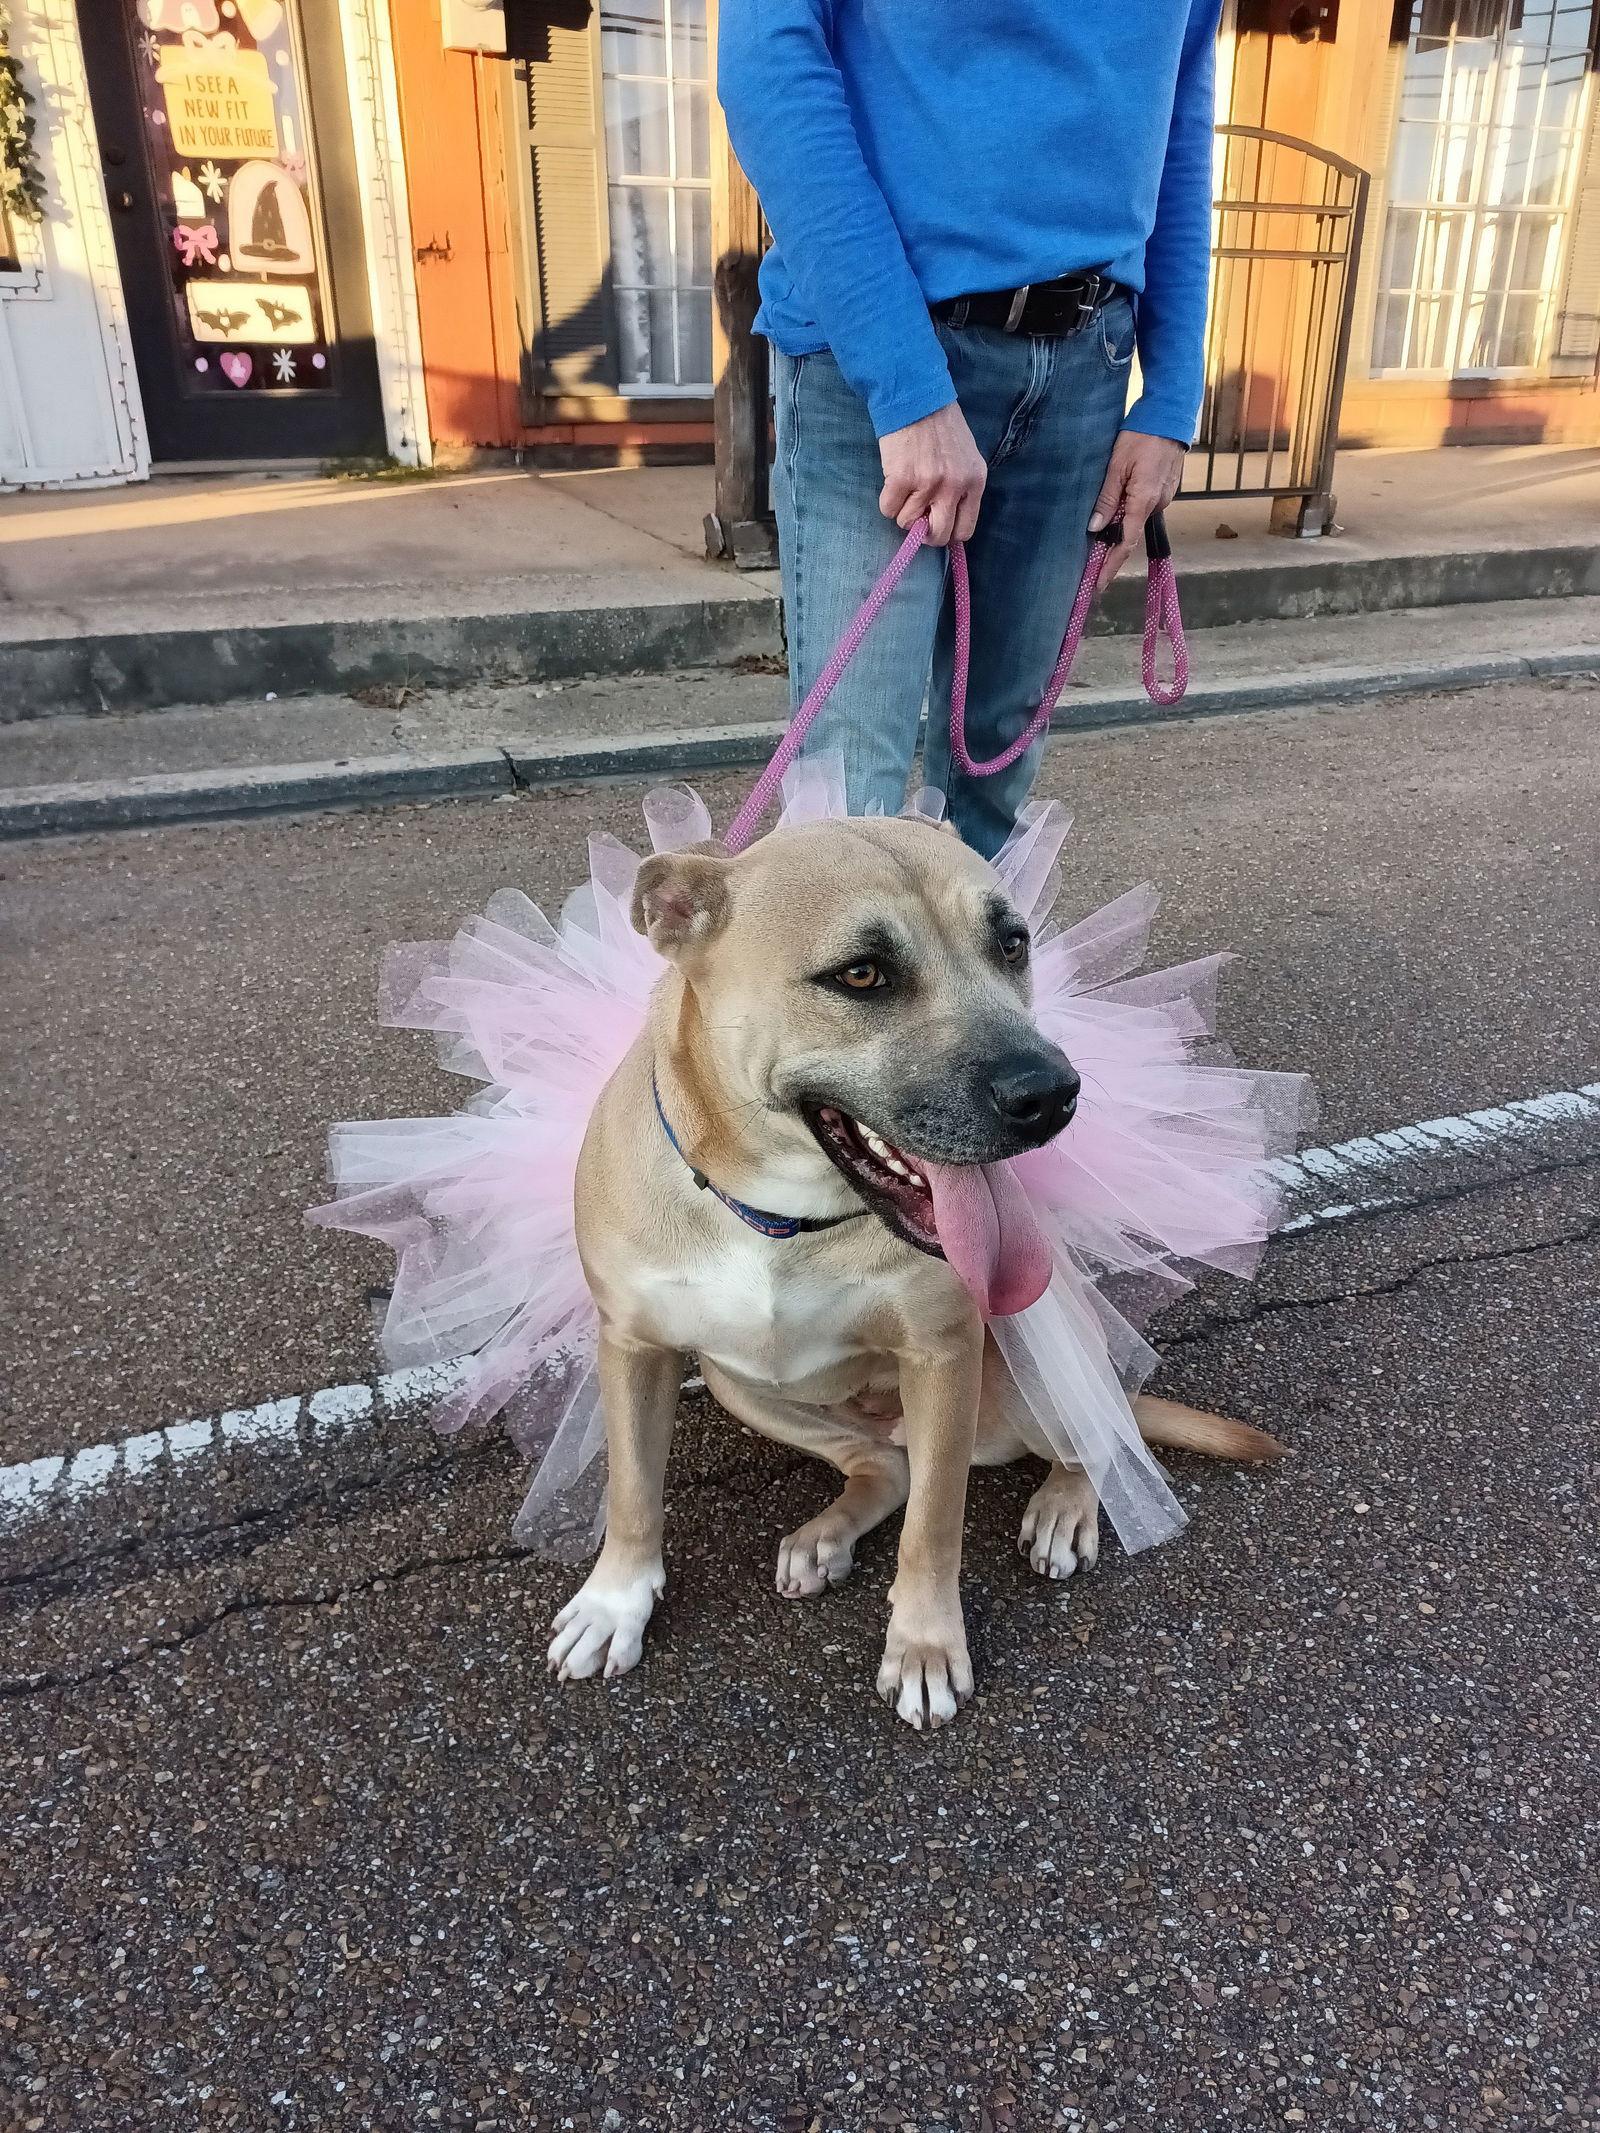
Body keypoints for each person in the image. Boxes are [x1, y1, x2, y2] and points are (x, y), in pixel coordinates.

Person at [717, 0, 1220, 858]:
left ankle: (966, 953)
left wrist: (1172, 396)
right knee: (849, 799)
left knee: (998, 765)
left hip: (1086, 362)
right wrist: (908, 390)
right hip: (873, 355)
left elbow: (1179, 118)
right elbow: (771, 71)